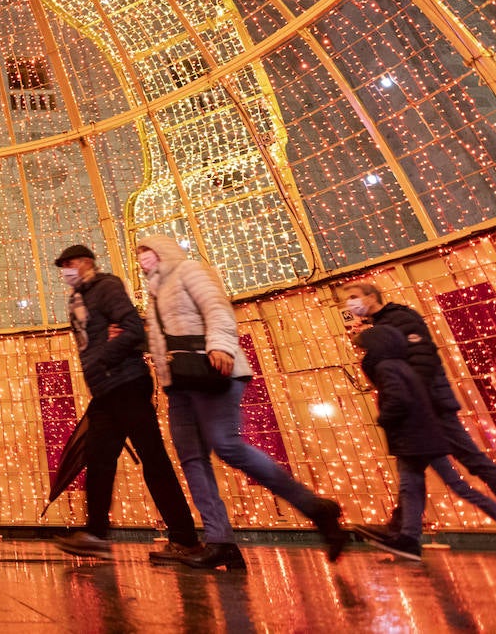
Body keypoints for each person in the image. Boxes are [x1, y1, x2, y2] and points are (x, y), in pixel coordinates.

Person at [138, 235, 346, 570]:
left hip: (213, 369)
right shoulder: (154, 292)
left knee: (227, 445)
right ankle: (221, 542)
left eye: (146, 250)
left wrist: (220, 345)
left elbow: (217, 309)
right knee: (192, 460)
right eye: (138, 253)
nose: (142, 258)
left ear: (162, 250)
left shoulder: (190, 270)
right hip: (179, 385)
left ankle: (316, 508)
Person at [343, 282, 496, 565]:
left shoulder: (400, 319)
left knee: (475, 468)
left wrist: (412, 403)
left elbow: (423, 362)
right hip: (422, 410)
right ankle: (404, 535)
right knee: (413, 473)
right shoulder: (381, 325)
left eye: (353, 297)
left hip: (431, 409)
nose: (350, 304)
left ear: (372, 297)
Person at [50, 244, 203, 563]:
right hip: (106, 389)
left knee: (153, 458)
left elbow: (132, 327)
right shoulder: (77, 298)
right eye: (62, 265)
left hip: (126, 382)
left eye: (69, 263)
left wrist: (105, 357)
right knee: (99, 458)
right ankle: (95, 533)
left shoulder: (106, 286)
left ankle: (186, 539)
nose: (65, 270)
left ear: (86, 262)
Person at [354, 324, 449, 560]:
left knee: (433, 485)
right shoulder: (399, 365)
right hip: (418, 435)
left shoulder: (386, 367)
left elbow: (398, 399)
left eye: (363, 350)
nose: (361, 355)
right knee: (412, 486)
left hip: (413, 437)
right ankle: (406, 535)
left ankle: (408, 537)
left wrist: (385, 418)